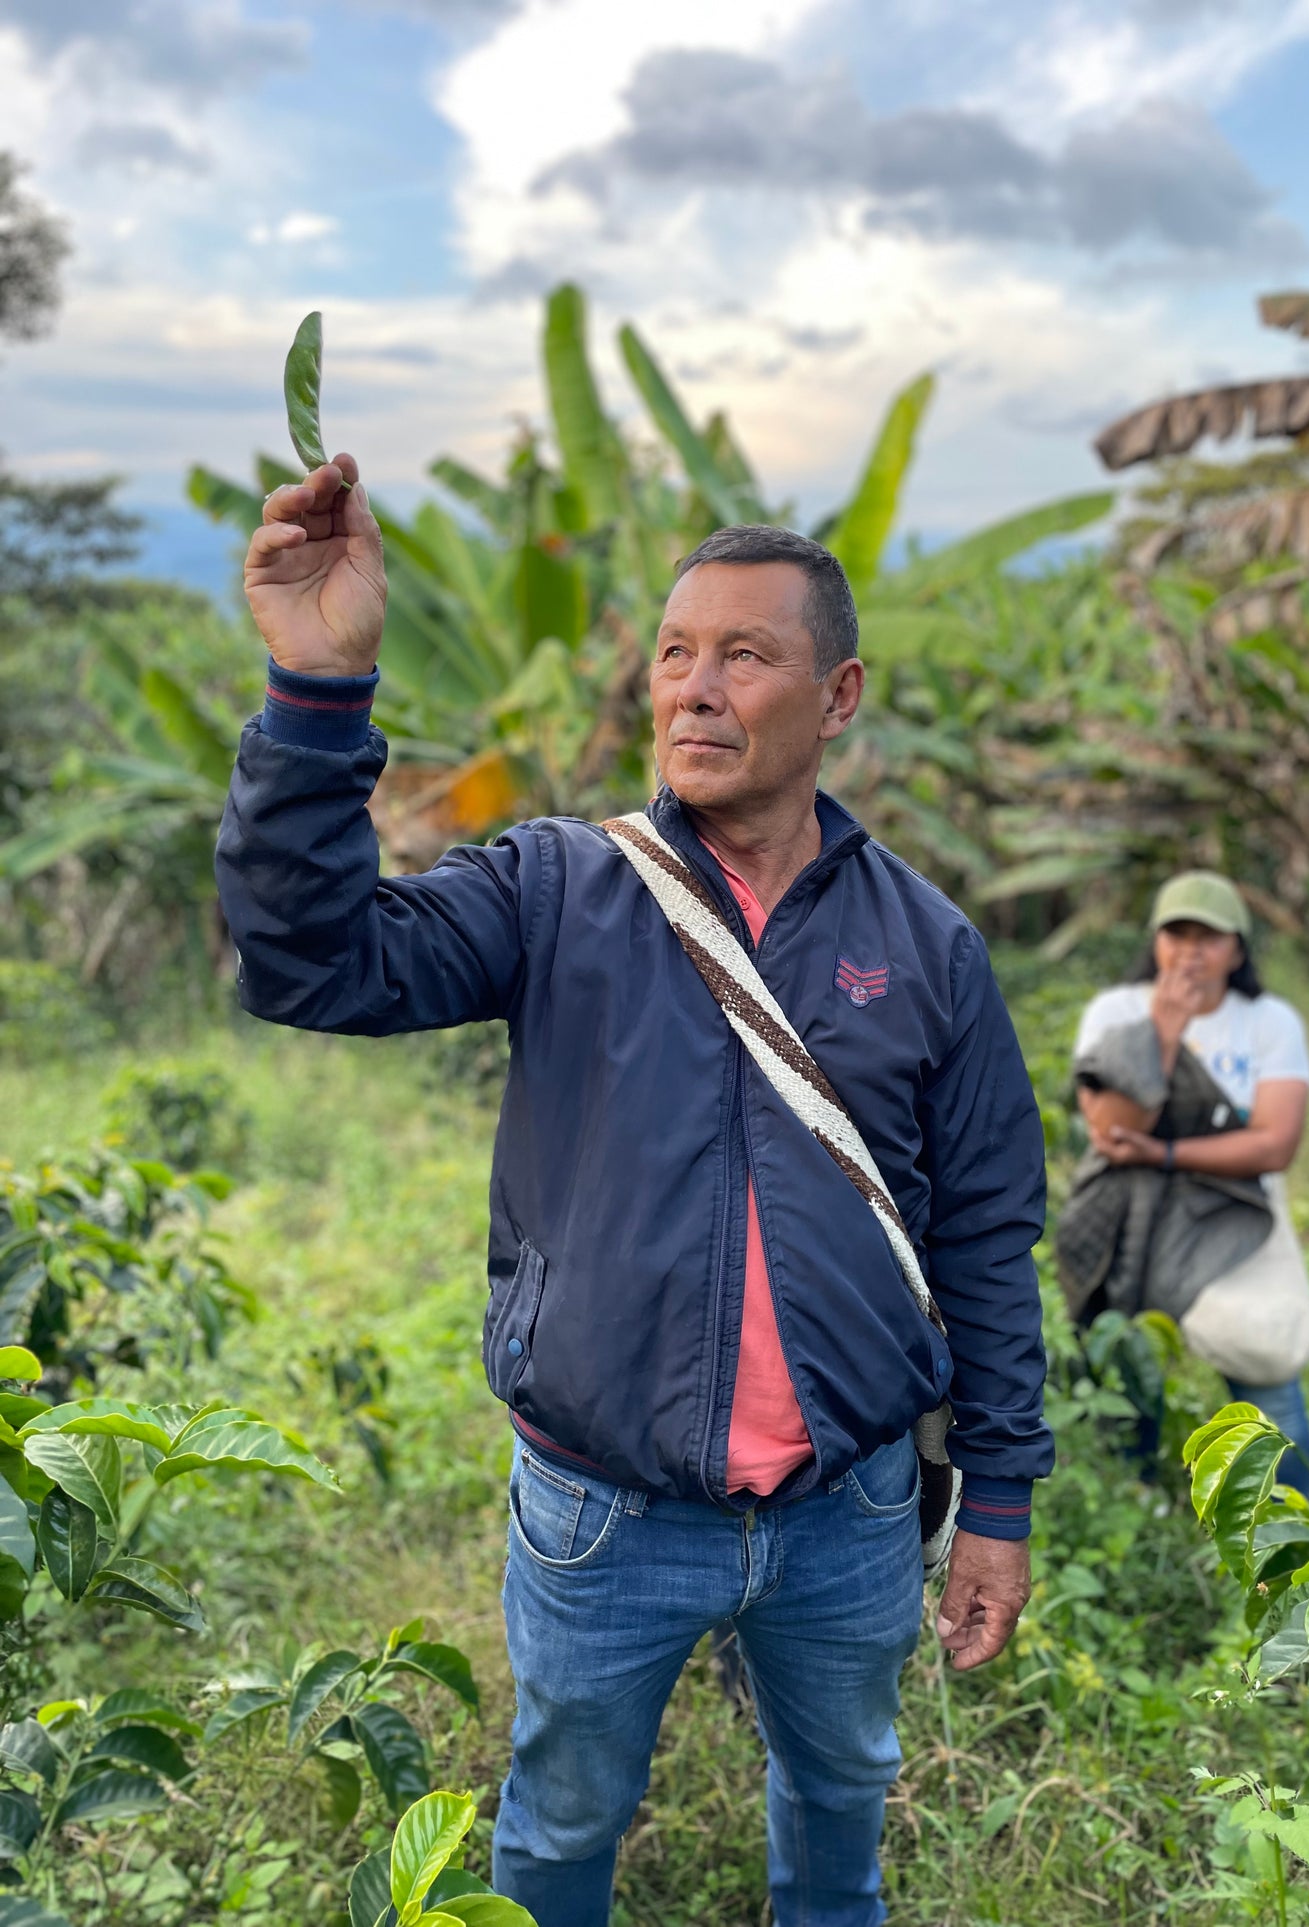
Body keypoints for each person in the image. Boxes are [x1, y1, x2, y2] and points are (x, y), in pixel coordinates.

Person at [214, 454, 1054, 1927]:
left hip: (848, 1508)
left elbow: (984, 1229)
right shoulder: (554, 887)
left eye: (745, 652)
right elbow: (313, 961)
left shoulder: (926, 945)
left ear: (838, 694)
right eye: (675, 652)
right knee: (557, 1830)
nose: (696, 687)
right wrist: (316, 690)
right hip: (604, 1512)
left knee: (840, 1805)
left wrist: (1000, 1493)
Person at [1060, 872, 1309, 1494]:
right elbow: (1114, 1130)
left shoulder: (1268, 1021)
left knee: (1265, 1356)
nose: (1192, 950)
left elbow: (1274, 1145)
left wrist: (1166, 1151)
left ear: (1238, 948)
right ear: (1155, 941)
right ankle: (1138, 1504)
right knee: (1128, 1363)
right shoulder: (1116, 1011)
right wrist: (1165, 1031)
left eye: (1211, 936)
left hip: (1231, 1208)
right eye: (1178, 932)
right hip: (1128, 1210)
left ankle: (1288, 1525)